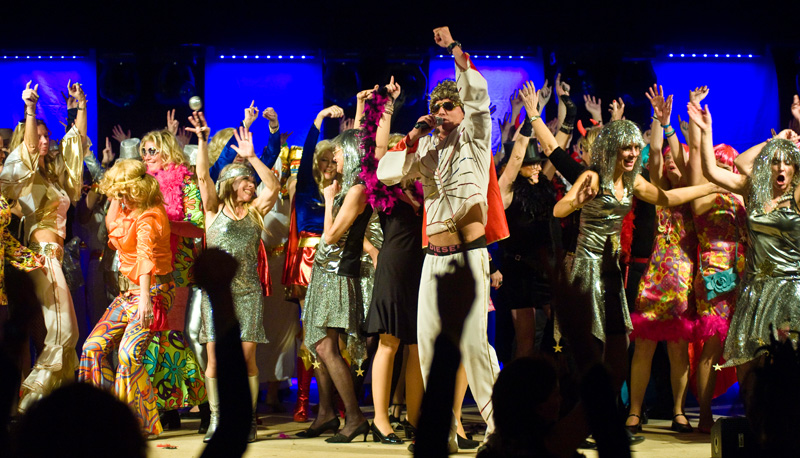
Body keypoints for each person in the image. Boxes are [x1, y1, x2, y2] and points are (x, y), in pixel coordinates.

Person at [537, 78, 719, 393]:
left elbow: (668, 198)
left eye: (636, 147)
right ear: (613, 150)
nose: (634, 153)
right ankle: (577, 403)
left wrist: (711, 186)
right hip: (586, 267)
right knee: (586, 342)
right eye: (628, 148)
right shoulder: (593, 176)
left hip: (610, 271)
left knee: (617, 344)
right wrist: (577, 200)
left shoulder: (633, 182)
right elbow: (558, 210)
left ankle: (602, 402)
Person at [377, 26, 502, 450]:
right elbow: (386, 174)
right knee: (430, 346)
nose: (444, 112)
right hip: (433, 257)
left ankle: (500, 428)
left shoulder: (476, 138)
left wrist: (454, 50)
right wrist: (414, 134)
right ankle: (441, 431)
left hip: (469, 255)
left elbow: (478, 95)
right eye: (438, 107)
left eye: (451, 106)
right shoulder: (426, 149)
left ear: (462, 110)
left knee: (474, 344)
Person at [687, 101, 800, 395]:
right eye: (775, 162)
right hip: (757, 288)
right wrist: (707, 130)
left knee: (790, 360)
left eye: (787, 162)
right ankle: (757, 417)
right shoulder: (754, 191)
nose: (781, 167)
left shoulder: (798, 194)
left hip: (791, 287)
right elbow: (725, 167)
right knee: (750, 359)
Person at [191, 112, 280, 442]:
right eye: (245, 181)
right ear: (230, 183)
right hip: (216, 297)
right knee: (215, 359)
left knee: (246, 359)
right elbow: (202, 176)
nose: (251, 185)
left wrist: (253, 158)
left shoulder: (256, 212)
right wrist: (202, 140)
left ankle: (247, 419)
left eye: (252, 181)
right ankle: (217, 419)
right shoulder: (213, 210)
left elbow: (273, 186)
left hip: (248, 293)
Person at [1, 81, 86, 412]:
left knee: (69, 335)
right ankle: (30, 398)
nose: (44, 141)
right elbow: (23, 155)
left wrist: (80, 108)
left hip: (55, 260)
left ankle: (56, 406)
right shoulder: (28, 177)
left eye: (47, 136)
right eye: (38, 136)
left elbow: (76, 147)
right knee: (62, 332)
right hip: (43, 257)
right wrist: (30, 108)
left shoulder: (52, 177)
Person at [78, 159, 174, 437]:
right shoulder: (125, 208)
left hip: (152, 292)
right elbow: (111, 225)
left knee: (128, 355)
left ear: (139, 190)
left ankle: (133, 424)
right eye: (118, 194)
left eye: (125, 193)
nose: (121, 199)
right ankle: (99, 416)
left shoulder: (150, 217)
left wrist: (145, 299)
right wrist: (116, 192)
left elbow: (145, 258)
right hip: (127, 294)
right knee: (92, 348)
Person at [300, 127, 379, 443]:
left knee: (325, 346)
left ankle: (355, 417)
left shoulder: (357, 190)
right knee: (317, 343)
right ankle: (326, 414)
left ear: (353, 154)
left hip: (337, 273)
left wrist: (330, 200)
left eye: (339, 153)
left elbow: (331, 236)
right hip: (325, 271)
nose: (335, 158)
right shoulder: (351, 186)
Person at [627, 85, 698, 434]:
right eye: (667, 159)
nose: (669, 161)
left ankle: (679, 411)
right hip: (655, 275)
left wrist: (673, 132)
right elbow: (654, 151)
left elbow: (681, 159)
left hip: (684, 277)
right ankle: (634, 412)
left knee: (678, 348)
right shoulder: (658, 191)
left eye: (675, 158)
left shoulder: (692, 191)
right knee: (644, 345)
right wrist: (660, 120)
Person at [361, 79, 425, 444]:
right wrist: (387, 106)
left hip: (422, 267)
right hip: (394, 266)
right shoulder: (385, 188)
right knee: (389, 341)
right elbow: (379, 149)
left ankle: (415, 417)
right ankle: (381, 420)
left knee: (417, 345)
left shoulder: (425, 188)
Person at [684, 86, 746, 433]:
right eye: (719, 163)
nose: (724, 169)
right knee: (711, 345)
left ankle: (754, 411)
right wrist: (695, 114)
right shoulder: (703, 194)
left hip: (744, 275)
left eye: (727, 164)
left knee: (746, 346)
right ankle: (705, 414)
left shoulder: (740, 197)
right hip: (714, 274)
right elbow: (696, 155)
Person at [138, 125, 206, 430]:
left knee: (172, 335)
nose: (146, 155)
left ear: (167, 151)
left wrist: (164, 222)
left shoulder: (184, 180)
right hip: (148, 267)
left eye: (152, 150)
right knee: (154, 338)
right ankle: (168, 407)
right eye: (143, 151)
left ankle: (205, 404)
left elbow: (198, 226)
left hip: (176, 267)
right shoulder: (141, 185)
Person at [284, 105, 341, 422]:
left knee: (337, 337)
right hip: (308, 264)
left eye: (334, 160)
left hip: (337, 262)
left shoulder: (343, 190)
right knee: (310, 336)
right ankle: (303, 402)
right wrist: (317, 121)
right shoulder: (306, 186)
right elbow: (306, 155)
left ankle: (337, 403)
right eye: (324, 160)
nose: (329, 165)